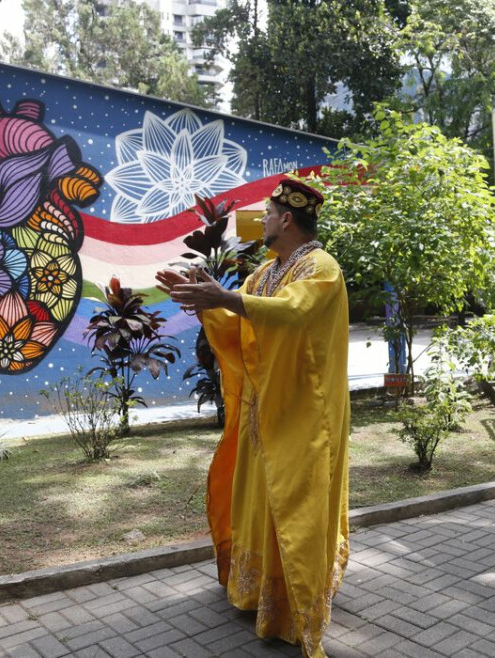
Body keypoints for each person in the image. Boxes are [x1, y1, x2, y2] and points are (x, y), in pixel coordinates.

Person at [156, 179, 349, 657]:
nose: (260, 221)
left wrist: (220, 297)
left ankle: (296, 608)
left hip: (305, 413)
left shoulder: (322, 269)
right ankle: (257, 592)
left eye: (266, 214)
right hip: (264, 409)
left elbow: (291, 313)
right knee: (260, 502)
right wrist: (205, 301)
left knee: (297, 507)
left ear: (287, 219)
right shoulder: (265, 272)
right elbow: (241, 317)